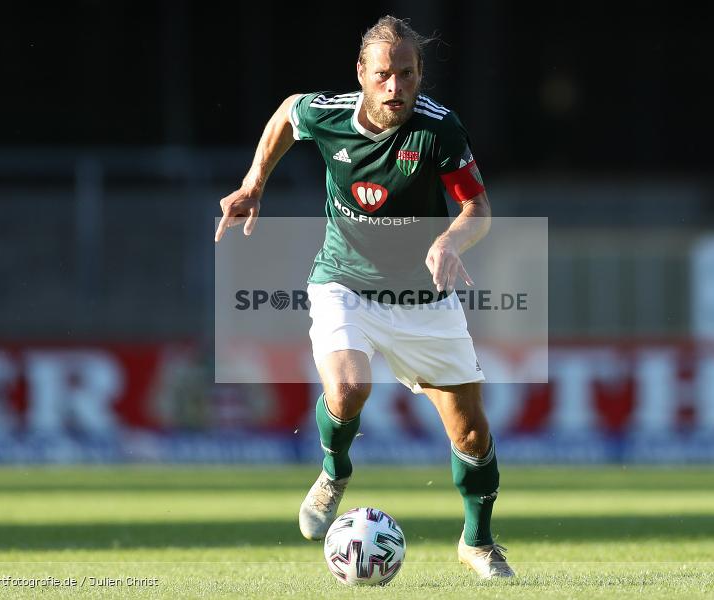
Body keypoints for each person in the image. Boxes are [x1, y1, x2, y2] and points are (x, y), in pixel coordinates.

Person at [214, 15, 513, 579]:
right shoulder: (329, 115)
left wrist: (450, 239)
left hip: (424, 298)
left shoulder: (439, 130)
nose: (395, 87)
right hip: (343, 283)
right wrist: (254, 183)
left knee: (471, 431)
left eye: (406, 74)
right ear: (362, 73)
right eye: (383, 75)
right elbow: (286, 112)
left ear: (421, 74)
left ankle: (477, 541)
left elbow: (478, 211)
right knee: (349, 387)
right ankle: (333, 472)